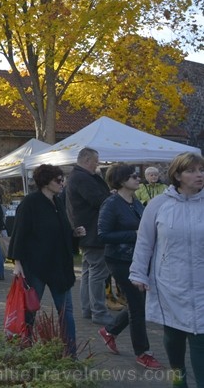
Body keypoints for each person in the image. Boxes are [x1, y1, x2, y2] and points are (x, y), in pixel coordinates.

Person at [130, 152, 204, 387]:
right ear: (178, 175)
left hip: (202, 283)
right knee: (174, 336)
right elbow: (144, 241)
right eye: (192, 170)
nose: (199, 175)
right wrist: (138, 273)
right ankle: (178, 378)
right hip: (171, 282)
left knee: (200, 336)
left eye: (201, 169)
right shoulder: (159, 204)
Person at [9, 164, 84, 357]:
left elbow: (60, 231)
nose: (62, 183)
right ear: (45, 182)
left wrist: (74, 234)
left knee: (66, 312)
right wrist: (17, 263)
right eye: (58, 180)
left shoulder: (58, 202)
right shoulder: (30, 203)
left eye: (63, 179)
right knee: (30, 311)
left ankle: (71, 354)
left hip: (59, 266)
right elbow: (20, 233)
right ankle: (23, 351)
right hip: (36, 266)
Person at [96, 164, 163, 370]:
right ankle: (142, 352)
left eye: (136, 175)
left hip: (138, 259)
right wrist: (134, 235)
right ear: (121, 180)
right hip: (119, 260)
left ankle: (110, 331)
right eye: (132, 176)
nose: (138, 178)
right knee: (137, 306)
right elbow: (103, 234)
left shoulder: (135, 202)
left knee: (139, 303)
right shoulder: (111, 203)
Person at [65, 147, 113, 325]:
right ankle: (98, 311)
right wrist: (112, 197)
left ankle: (88, 308)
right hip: (93, 231)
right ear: (86, 160)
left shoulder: (76, 176)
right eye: (95, 161)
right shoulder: (83, 178)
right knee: (97, 273)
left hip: (86, 230)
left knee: (88, 271)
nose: (97, 164)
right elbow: (98, 200)